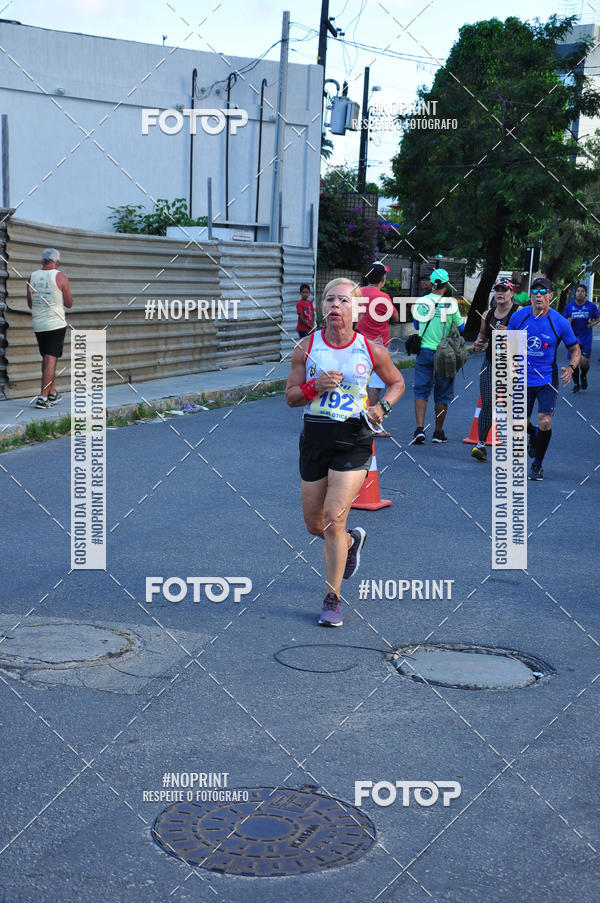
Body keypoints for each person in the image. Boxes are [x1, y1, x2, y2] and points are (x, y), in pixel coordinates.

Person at [285, 277, 405, 627]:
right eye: (329, 300)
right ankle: (351, 542)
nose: (334, 306)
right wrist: (313, 386)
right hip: (315, 439)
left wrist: (382, 407)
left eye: (342, 301)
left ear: (356, 309)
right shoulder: (306, 348)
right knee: (313, 524)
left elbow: (397, 383)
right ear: (322, 308)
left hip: (353, 440)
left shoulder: (370, 349)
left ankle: (332, 598)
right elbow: (290, 396)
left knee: (333, 518)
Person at [507, 276, 580, 481]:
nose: (538, 295)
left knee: (545, 421)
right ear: (530, 295)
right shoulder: (519, 317)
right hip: (521, 378)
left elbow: (575, 349)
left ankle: (537, 464)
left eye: (543, 291)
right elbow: (509, 345)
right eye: (534, 291)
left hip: (547, 379)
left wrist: (572, 367)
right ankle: (532, 434)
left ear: (551, 296)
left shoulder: (559, 322)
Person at [412, 268, 465, 444]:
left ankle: (419, 429)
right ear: (446, 284)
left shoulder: (422, 301)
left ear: (433, 283)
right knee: (442, 394)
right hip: (444, 353)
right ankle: (438, 432)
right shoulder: (451, 303)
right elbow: (462, 327)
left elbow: (417, 324)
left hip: (424, 351)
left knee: (421, 390)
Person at [471, 279, 519, 462]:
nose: (500, 293)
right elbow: (483, 335)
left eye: (504, 289)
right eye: (497, 289)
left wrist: (510, 332)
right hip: (491, 362)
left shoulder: (519, 313)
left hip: (514, 364)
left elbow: (528, 337)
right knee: (488, 403)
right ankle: (481, 445)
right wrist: (478, 342)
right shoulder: (487, 314)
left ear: (511, 293)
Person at [26, 248, 73, 408]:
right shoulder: (60, 276)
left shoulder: (32, 276)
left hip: (39, 324)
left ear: (42, 261)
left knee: (47, 358)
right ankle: (43, 398)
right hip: (56, 324)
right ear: (57, 262)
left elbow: (30, 303)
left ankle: (52, 393)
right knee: (51, 359)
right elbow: (69, 303)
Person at [355, 260, 399, 407]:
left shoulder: (357, 293)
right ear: (383, 279)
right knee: (375, 382)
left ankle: (356, 414)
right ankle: (370, 419)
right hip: (379, 346)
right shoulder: (383, 297)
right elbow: (395, 318)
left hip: (358, 342)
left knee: (357, 378)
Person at [562, 283, 600, 393]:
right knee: (575, 361)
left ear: (586, 294)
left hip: (586, 337)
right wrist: (569, 321)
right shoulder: (569, 307)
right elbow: (564, 322)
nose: (579, 293)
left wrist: (592, 324)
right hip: (572, 338)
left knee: (584, 362)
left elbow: (598, 317)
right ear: (575, 294)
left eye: (582, 291)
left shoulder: (591, 306)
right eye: (578, 291)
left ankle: (583, 376)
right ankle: (576, 383)